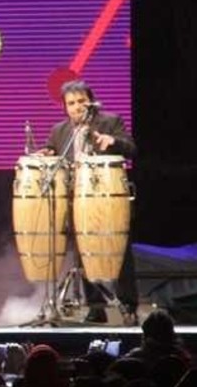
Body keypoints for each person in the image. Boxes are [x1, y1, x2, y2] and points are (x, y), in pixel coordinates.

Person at [42, 80, 138, 325]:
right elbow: (52, 153)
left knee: (119, 251)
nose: (77, 107)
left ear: (91, 102)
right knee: (82, 254)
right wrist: (46, 155)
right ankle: (97, 306)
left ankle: (128, 305)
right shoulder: (59, 130)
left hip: (107, 198)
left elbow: (131, 149)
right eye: (71, 103)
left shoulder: (110, 122)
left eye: (81, 101)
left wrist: (112, 142)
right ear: (65, 107)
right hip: (75, 199)